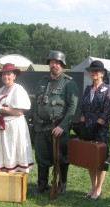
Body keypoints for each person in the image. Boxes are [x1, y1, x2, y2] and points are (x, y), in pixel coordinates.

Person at [33, 50, 79, 194]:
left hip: (58, 127)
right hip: (41, 127)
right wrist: (35, 121)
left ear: (62, 65)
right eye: (52, 62)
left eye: (58, 63)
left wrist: (63, 126)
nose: (55, 65)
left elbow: (72, 107)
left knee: (61, 158)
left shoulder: (68, 83)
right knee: (41, 156)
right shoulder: (42, 81)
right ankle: (42, 184)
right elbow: (36, 104)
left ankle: (61, 184)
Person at [79, 60, 110, 201]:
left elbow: (106, 112)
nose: (93, 73)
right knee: (90, 159)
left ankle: (99, 188)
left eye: (96, 71)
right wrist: (82, 127)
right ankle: (93, 187)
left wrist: (95, 126)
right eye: (91, 70)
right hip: (87, 129)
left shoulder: (108, 89)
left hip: (101, 130)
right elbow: (83, 109)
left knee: (100, 160)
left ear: (102, 73)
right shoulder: (87, 89)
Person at [0, 63, 33, 173]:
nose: (5, 76)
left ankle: (15, 179)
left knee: (13, 151)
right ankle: (4, 178)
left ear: (14, 76)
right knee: (3, 152)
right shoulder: (0, 90)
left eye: (8, 74)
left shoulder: (18, 89)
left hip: (14, 125)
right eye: (4, 74)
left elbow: (19, 112)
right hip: (2, 125)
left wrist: (0, 108)